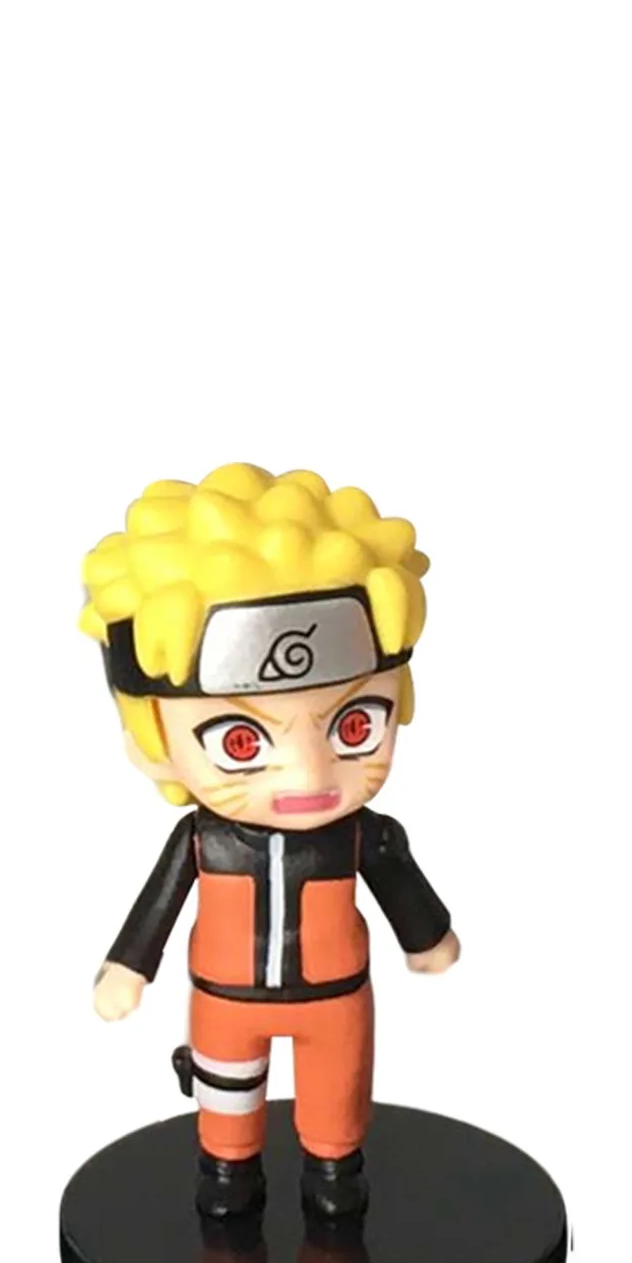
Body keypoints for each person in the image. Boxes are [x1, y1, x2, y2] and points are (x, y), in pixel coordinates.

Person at [82, 462, 458, 1221]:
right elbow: (156, 905)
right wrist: (129, 965)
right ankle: (228, 1171)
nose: (310, 773)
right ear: (152, 738)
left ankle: (334, 1171)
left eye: (356, 724)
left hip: (336, 995)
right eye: (242, 741)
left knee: (335, 1096)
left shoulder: (367, 836)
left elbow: (400, 884)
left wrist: (428, 937)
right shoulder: (202, 842)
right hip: (226, 997)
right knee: (227, 1094)